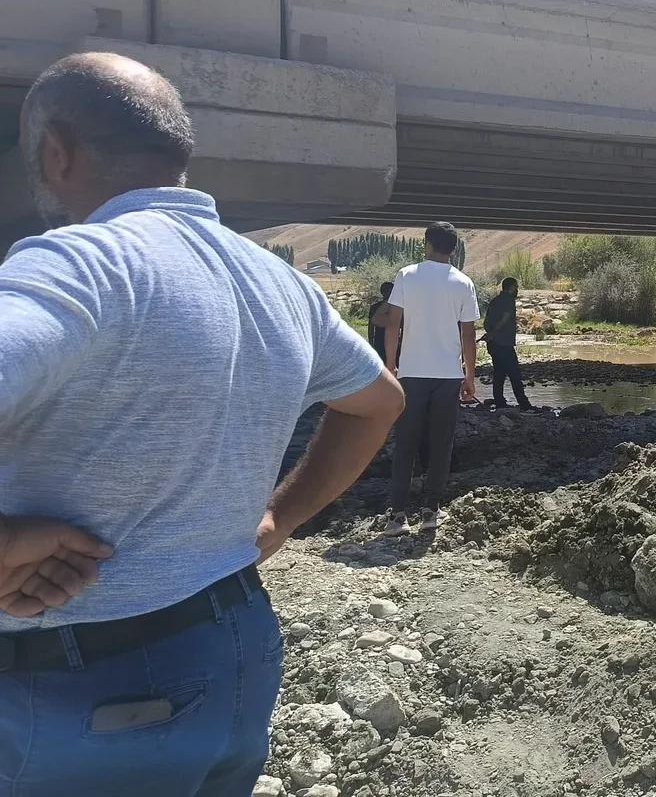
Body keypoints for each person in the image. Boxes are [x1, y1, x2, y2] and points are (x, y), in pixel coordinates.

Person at [0, 52, 404, 796]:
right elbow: (379, 401)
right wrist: (278, 517)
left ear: (56, 151)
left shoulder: (78, 266)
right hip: (236, 650)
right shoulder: (275, 279)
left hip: (87, 685)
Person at [383, 221, 480, 537]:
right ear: (454, 249)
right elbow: (468, 333)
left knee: (406, 443)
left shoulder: (407, 275)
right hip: (448, 376)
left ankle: (398, 516)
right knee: (441, 445)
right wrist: (470, 375)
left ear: (426, 244)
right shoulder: (463, 282)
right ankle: (431, 512)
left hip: (411, 373)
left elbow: (392, 323)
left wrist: (389, 365)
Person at [484, 276, 533, 411]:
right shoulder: (509, 300)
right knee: (514, 374)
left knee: (499, 374)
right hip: (504, 344)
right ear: (511, 288)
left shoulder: (494, 301)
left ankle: (500, 402)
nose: (517, 290)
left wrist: (490, 334)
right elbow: (505, 318)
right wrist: (495, 332)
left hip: (493, 344)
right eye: (516, 287)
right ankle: (524, 404)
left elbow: (486, 322)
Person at [368, 280, 395, 363]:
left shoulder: (397, 308)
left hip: (394, 340)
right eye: (386, 291)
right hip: (379, 339)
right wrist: (371, 342)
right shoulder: (375, 307)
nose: (388, 294)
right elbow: (371, 326)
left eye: (390, 291)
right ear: (382, 292)